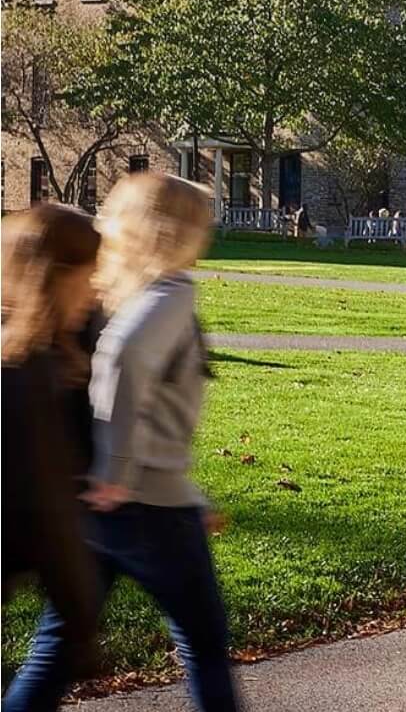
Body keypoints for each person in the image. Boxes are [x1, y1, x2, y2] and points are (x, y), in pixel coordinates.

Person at [8, 173, 240, 711]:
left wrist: (117, 475)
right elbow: (123, 359)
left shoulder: (123, 294)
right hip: (149, 504)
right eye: (201, 224)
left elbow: (138, 399)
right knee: (204, 643)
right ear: (176, 233)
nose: (207, 235)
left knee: (59, 645)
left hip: (102, 502)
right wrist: (121, 470)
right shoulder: (172, 292)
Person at [3, 205, 104, 694]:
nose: (95, 293)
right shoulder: (25, 375)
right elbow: (48, 516)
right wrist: (80, 620)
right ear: (55, 278)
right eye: (89, 279)